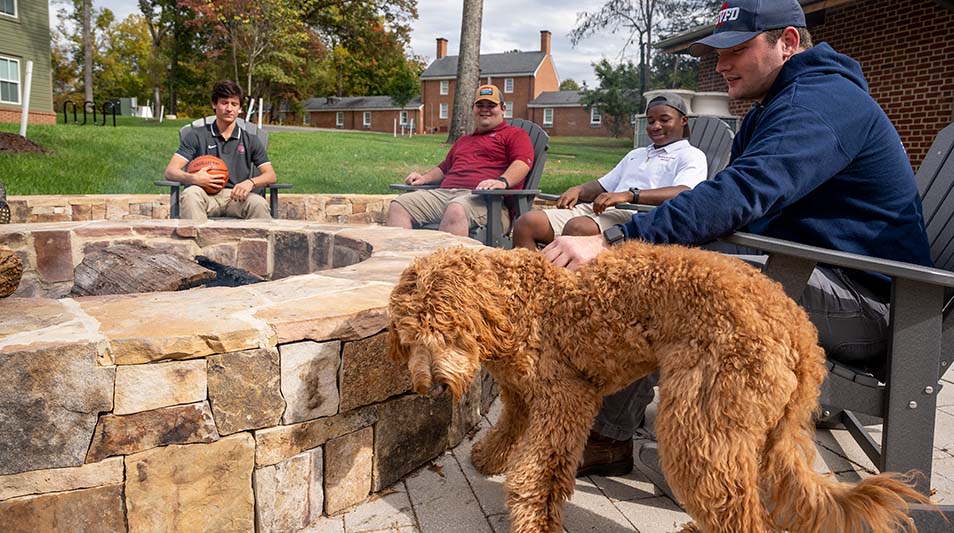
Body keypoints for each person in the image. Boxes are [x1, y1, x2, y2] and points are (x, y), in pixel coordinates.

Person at [545, 0, 934, 478]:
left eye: (737, 49)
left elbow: (742, 192)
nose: (721, 64)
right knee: (660, 264)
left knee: (659, 280)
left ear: (787, 43)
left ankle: (640, 444)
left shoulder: (822, 104)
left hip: (876, 307)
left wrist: (619, 239)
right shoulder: (779, 104)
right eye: (716, 53)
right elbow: (729, 202)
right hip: (813, 272)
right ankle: (613, 431)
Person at [511, 93, 706, 250]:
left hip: (640, 217)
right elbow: (602, 185)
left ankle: (571, 292)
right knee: (526, 223)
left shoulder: (691, 155)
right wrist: (579, 190)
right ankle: (531, 285)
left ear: (683, 121)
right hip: (604, 210)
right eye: (651, 120)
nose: (655, 126)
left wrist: (630, 195)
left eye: (664, 119)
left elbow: (684, 192)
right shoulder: (636, 154)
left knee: (578, 228)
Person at [386, 84, 535, 236]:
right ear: (473, 109)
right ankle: (401, 258)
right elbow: (445, 168)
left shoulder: (515, 135)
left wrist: (502, 181)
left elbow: (522, 163)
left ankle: (446, 260)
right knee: (399, 205)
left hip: (488, 202)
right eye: (480, 105)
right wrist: (424, 178)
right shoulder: (464, 140)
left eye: (491, 105)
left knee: (456, 209)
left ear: (503, 109)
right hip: (445, 195)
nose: (485, 109)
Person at [164, 80, 276, 222]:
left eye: (234, 104)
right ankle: (194, 242)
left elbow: (270, 175)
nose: (229, 108)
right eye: (224, 103)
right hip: (204, 194)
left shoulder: (251, 140)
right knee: (190, 194)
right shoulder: (197, 135)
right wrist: (193, 178)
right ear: (214, 104)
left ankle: (257, 243)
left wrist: (250, 182)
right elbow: (170, 171)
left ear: (240, 108)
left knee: (258, 203)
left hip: (237, 197)